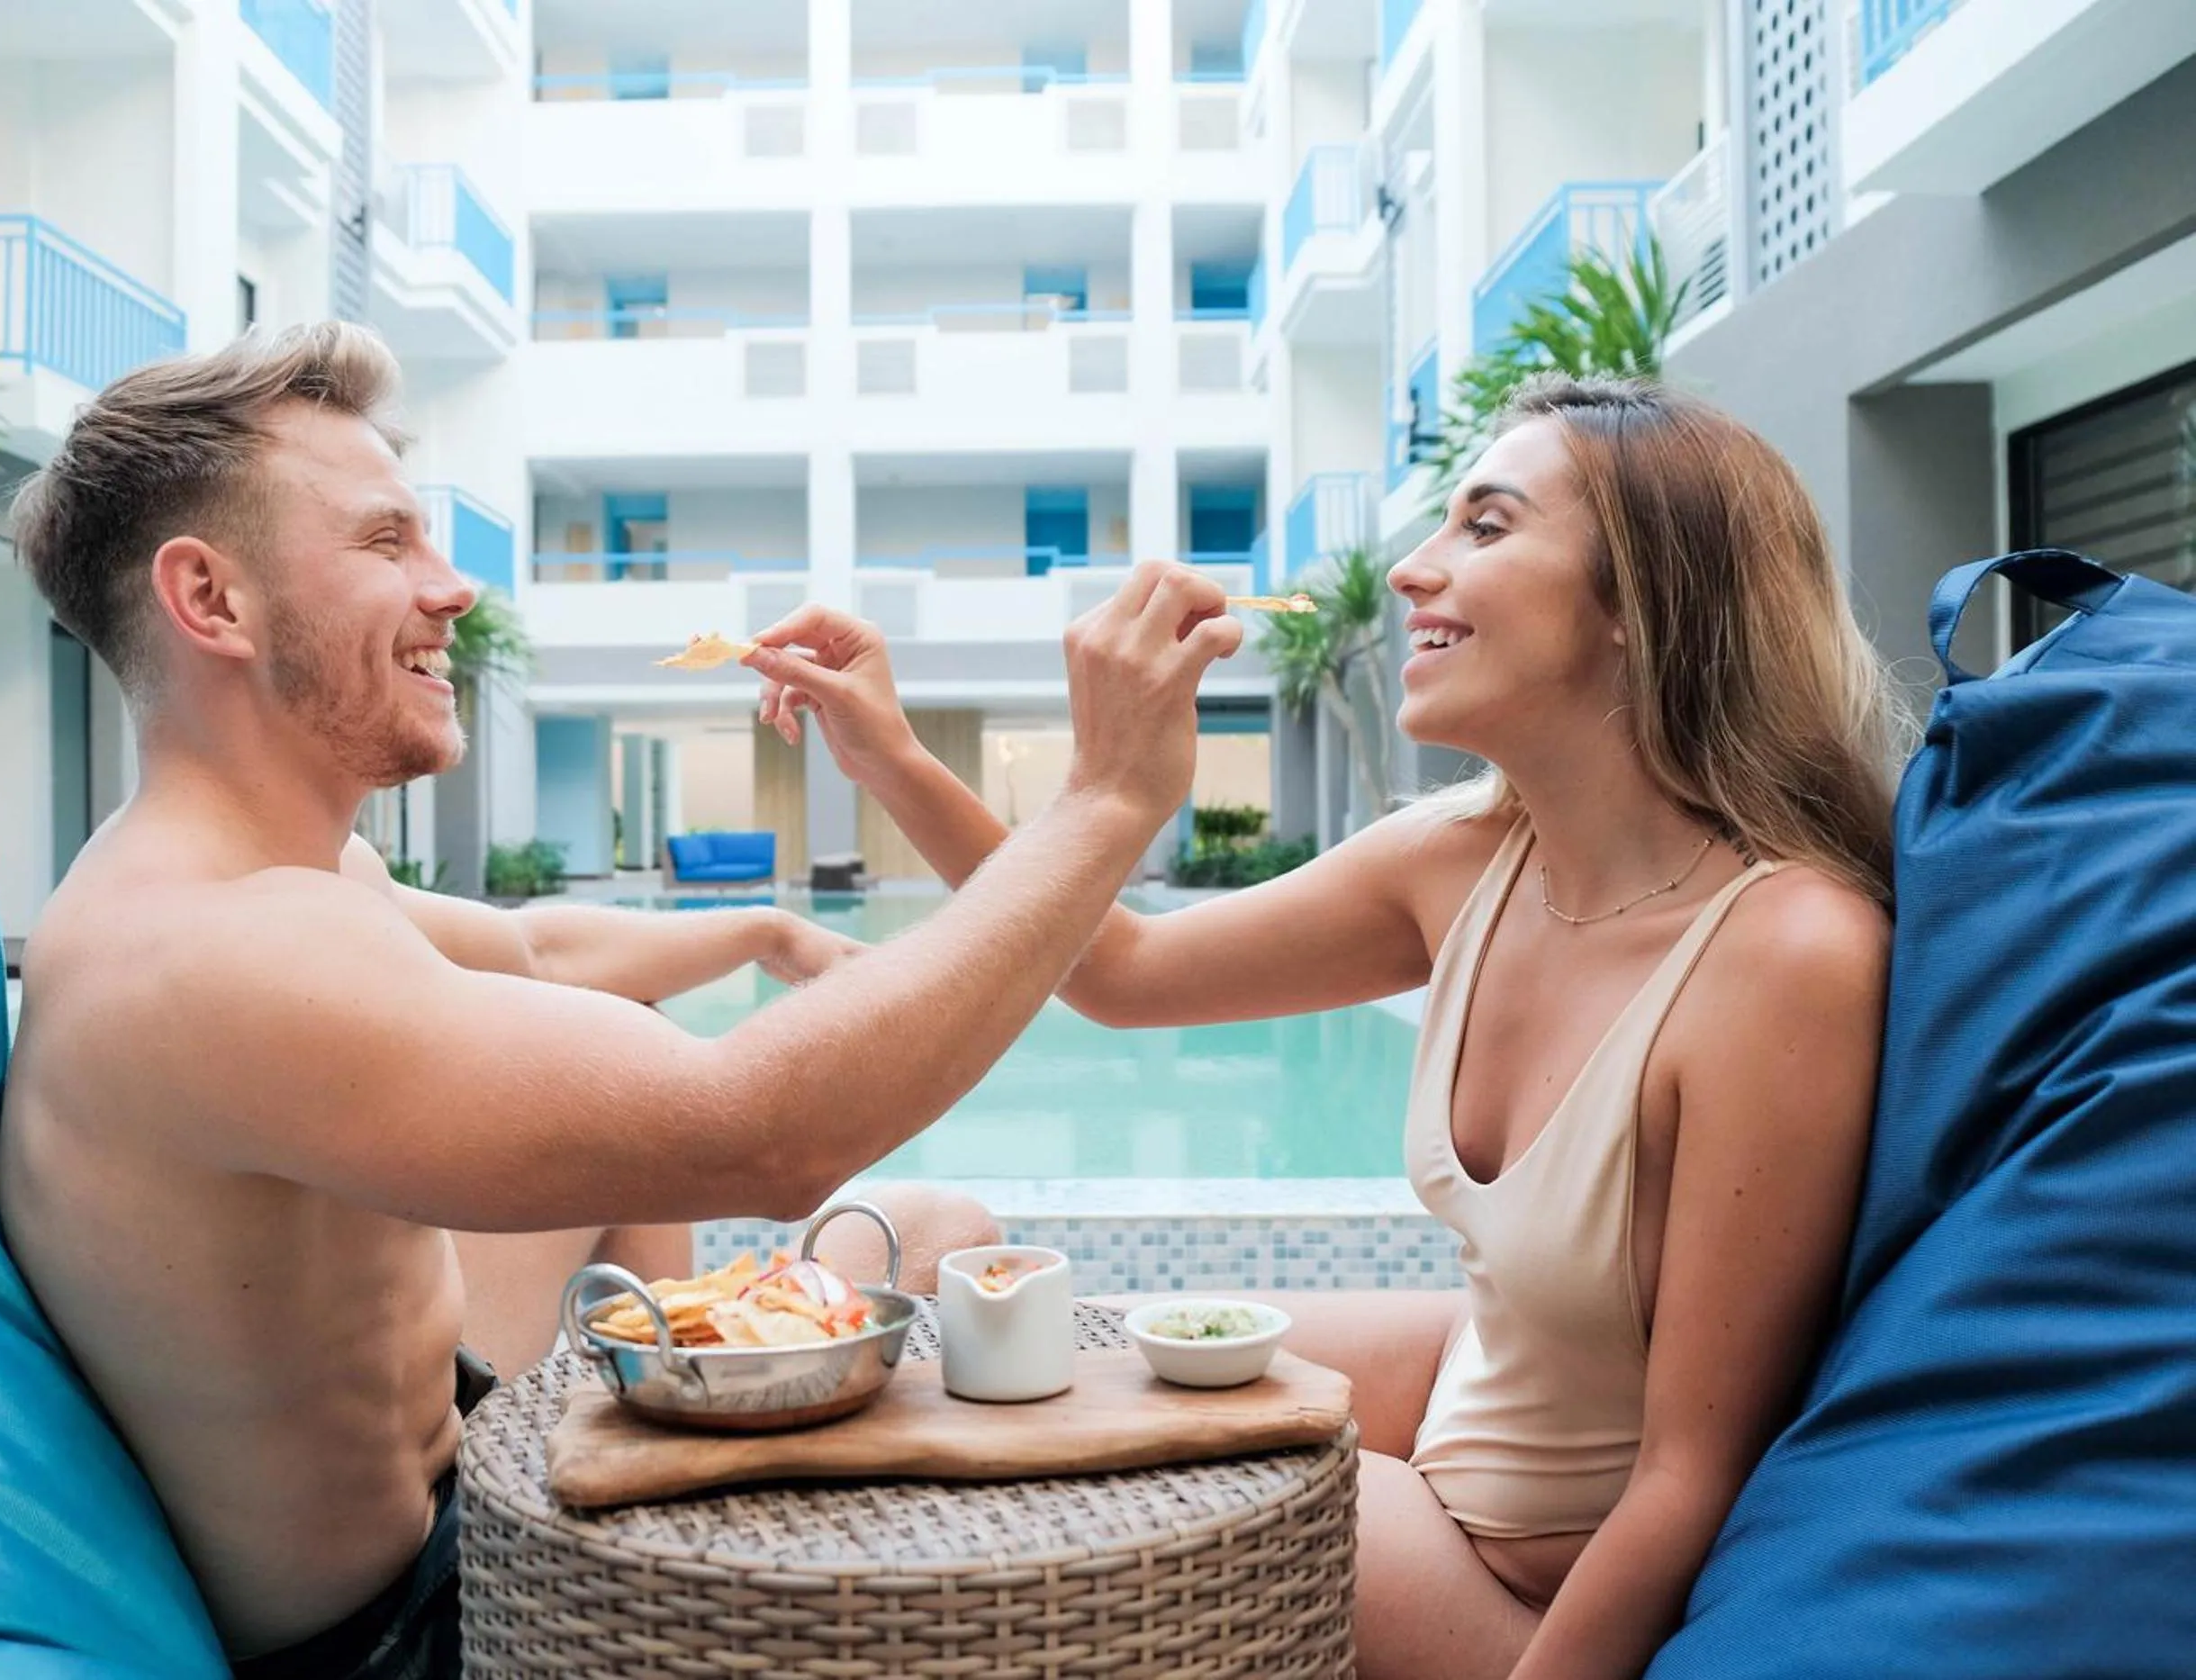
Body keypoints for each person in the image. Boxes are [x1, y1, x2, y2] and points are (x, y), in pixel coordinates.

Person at [0, 321, 1245, 1677]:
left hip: (458, 1448)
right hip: (420, 1628)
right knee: (928, 1227)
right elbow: (763, 1132)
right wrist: (1108, 800)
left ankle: (690, 1452)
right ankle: (718, 1512)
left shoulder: (257, 874)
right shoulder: (220, 957)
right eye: (384, 543)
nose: (451, 589)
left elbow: (533, 958)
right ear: (212, 601)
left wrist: (762, 926)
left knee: (714, 1121)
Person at [743, 375, 1909, 1680]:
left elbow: (1693, 1478)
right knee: (948, 1254)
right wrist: (891, 755)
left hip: (1521, 1584)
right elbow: (1120, 969)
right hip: (1460, 1384)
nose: (1413, 569)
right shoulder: (1464, 859)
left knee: (1067, 1448)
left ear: (1641, 604)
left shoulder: (1786, 955)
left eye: (1484, 525)